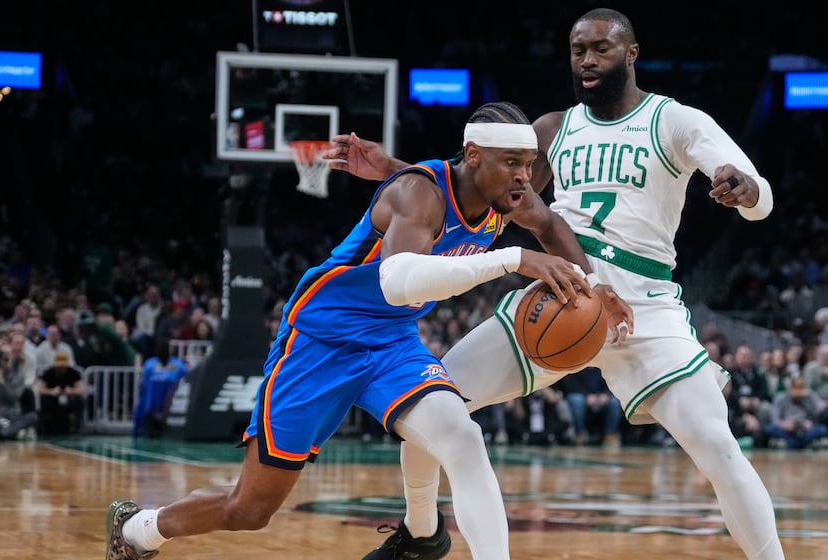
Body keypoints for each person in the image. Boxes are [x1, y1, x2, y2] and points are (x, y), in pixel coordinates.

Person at [326, 8, 785, 559]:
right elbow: (477, 191)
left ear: (632, 54)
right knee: (433, 399)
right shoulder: (550, 128)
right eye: (577, 50)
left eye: (601, 49)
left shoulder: (675, 121)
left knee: (716, 444)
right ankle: (420, 533)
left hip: (643, 309)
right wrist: (395, 171)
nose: (587, 60)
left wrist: (745, 190)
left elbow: (759, 195)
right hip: (558, 295)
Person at [103, 101, 614, 560]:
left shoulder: (504, 196)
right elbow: (399, 280)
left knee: (462, 436)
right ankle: (140, 529)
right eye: (513, 165)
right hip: (321, 340)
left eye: (528, 166)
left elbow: (548, 224)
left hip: (392, 344)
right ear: (474, 155)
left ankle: (424, 536)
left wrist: (593, 287)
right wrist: (514, 259)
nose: (525, 179)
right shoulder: (419, 192)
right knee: (250, 509)